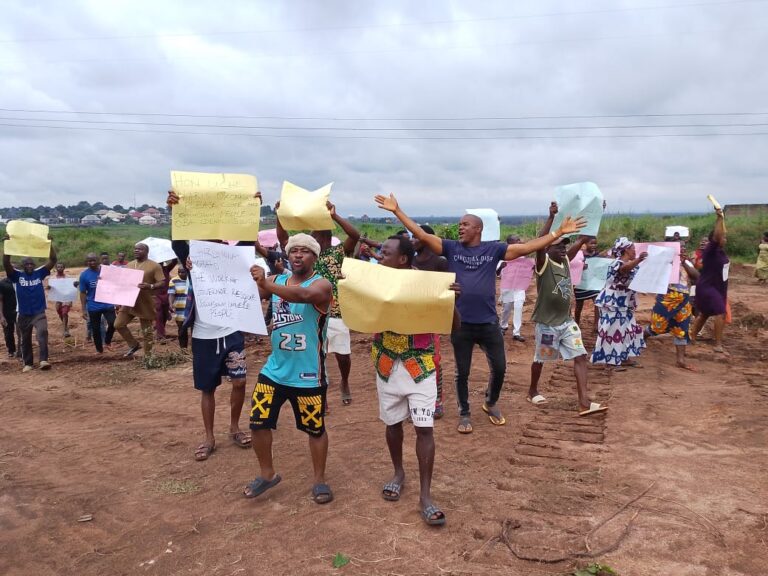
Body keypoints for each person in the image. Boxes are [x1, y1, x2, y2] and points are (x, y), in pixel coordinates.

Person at [375, 193, 586, 434]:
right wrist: (397, 210)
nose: (460, 227)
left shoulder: (494, 249)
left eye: (465, 224)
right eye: (459, 224)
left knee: (500, 367)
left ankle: (490, 402)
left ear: (478, 229)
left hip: (488, 322)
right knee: (462, 372)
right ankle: (464, 412)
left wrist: (558, 233)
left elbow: (527, 247)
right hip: (461, 324)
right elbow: (422, 235)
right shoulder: (451, 248)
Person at [374, 235, 459, 526]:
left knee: (425, 428)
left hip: (420, 366)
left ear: (403, 260)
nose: (379, 255)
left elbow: (453, 326)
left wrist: (451, 302)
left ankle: (425, 495)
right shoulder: (373, 283)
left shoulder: (427, 285)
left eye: (385, 252)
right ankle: (398, 472)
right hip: (386, 364)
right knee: (392, 423)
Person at [245, 233, 334, 504]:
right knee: (257, 423)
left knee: (315, 429)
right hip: (274, 370)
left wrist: (266, 284)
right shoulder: (276, 281)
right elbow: (243, 288)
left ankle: (319, 480)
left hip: (308, 375)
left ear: (315, 257)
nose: (298, 255)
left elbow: (304, 294)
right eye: (293, 250)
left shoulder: (322, 285)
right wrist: (197, 268)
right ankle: (267, 474)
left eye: (305, 251)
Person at [167, 190, 255, 461]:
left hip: (232, 333)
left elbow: (248, 238)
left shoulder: (232, 257)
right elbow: (177, 243)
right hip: (204, 335)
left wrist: (251, 207)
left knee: (239, 382)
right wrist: (175, 211)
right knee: (208, 388)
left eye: (216, 238)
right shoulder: (192, 261)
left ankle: (234, 427)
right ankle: (209, 436)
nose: (212, 241)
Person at [276, 200, 361, 406]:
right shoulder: (303, 256)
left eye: (325, 232)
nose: (320, 235)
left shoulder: (338, 252)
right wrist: (280, 215)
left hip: (336, 311)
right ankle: (319, 393)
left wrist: (334, 216)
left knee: (343, 355)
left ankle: (345, 381)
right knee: (316, 355)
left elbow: (355, 236)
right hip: (308, 312)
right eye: (317, 232)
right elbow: (283, 238)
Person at [527, 206, 606, 415]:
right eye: (558, 245)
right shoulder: (543, 264)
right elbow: (538, 244)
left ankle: (584, 402)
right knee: (541, 358)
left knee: (580, 356)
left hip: (567, 322)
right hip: (547, 325)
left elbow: (580, 241)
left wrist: (593, 217)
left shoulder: (564, 262)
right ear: (547, 248)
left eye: (565, 245)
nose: (563, 248)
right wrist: (551, 217)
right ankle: (532, 389)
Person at [590, 237, 647, 369]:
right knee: (613, 331)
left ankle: (623, 357)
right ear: (626, 250)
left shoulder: (633, 266)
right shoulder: (616, 263)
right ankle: (610, 362)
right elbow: (623, 270)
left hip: (625, 303)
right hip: (612, 303)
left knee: (628, 330)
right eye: (633, 248)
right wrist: (639, 260)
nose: (635, 251)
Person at [3, 239, 57, 372]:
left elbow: (53, 259)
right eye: (26, 264)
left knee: (42, 332)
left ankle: (44, 360)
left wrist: (49, 244)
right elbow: (6, 263)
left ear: (34, 265)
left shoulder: (40, 273)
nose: (29, 265)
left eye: (31, 263)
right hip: (23, 314)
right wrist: (7, 247)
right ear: (22, 266)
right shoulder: (16, 276)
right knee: (25, 339)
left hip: (39, 312)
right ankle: (28, 363)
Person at [412, 224, 449, 419]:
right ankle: (417, 401)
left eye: (416, 236)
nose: (413, 240)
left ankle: (437, 400)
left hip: (431, 317)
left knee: (433, 361)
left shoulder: (440, 262)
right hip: (411, 317)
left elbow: (446, 291)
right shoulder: (409, 260)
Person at [645, 245, 699, 371]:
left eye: (684, 247)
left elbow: (696, 277)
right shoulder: (665, 262)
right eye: (680, 247)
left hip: (684, 298)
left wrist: (684, 262)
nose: (682, 250)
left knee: (682, 328)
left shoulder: (686, 262)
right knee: (657, 326)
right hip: (667, 297)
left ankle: (680, 360)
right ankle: (641, 338)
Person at [690, 207, 730, 354]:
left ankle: (692, 336)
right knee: (720, 312)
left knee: (705, 314)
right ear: (716, 239)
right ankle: (718, 344)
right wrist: (720, 219)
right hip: (707, 287)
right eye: (723, 237)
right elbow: (718, 234)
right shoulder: (710, 249)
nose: (725, 239)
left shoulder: (720, 251)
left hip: (718, 288)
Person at [114, 243, 165, 357]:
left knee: (147, 332)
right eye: (135, 249)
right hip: (129, 301)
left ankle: (148, 357)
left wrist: (150, 286)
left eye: (140, 249)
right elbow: (122, 282)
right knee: (118, 324)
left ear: (146, 251)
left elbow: (162, 282)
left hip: (145, 302)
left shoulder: (154, 266)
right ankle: (134, 344)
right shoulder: (129, 265)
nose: (136, 251)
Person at [78, 253, 116, 353]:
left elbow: (115, 285)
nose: (91, 262)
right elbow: (82, 293)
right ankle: (99, 349)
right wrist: (83, 309)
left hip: (108, 303)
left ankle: (107, 341)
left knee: (113, 323)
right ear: (86, 262)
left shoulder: (106, 271)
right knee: (95, 329)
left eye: (94, 260)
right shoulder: (84, 275)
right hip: (93, 306)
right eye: (89, 261)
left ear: (98, 260)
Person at [497, 234, 530, 342]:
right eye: (517, 240)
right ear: (510, 243)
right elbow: (497, 273)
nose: (519, 242)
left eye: (519, 240)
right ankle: (503, 325)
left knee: (518, 308)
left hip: (519, 287)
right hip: (508, 287)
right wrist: (501, 267)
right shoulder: (503, 257)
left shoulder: (522, 256)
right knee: (507, 308)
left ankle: (517, 332)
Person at [573, 236, 602, 330]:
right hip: (581, 283)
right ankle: (576, 323)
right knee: (579, 305)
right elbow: (573, 265)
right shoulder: (579, 254)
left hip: (593, 283)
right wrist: (581, 266)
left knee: (597, 302)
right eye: (591, 243)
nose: (594, 245)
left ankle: (596, 324)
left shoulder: (597, 254)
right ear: (585, 244)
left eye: (595, 243)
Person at [167, 267, 190, 349]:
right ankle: (183, 350)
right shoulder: (173, 281)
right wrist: (170, 304)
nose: (180, 274)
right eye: (179, 272)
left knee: (194, 330)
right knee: (182, 330)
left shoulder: (192, 279)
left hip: (191, 309)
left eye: (183, 272)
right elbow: (171, 294)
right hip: (180, 310)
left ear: (187, 272)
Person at [154, 259, 176, 340]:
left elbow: (174, 261)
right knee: (159, 316)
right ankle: (160, 335)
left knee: (164, 315)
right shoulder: (153, 271)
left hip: (166, 296)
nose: (161, 263)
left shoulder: (166, 269)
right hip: (156, 296)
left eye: (162, 262)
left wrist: (173, 254)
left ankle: (160, 332)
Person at [52, 262, 74, 338]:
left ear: (64, 268)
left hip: (66, 298)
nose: (60, 268)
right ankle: (65, 325)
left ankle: (65, 330)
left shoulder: (68, 277)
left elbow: (72, 288)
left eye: (61, 267)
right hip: (58, 298)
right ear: (56, 268)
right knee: (60, 312)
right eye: (58, 267)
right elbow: (50, 288)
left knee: (64, 312)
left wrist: (71, 299)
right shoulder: (53, 278)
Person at [0, 277, 18, 358]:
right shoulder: (2, 283)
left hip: (20, 311)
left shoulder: (21, 281)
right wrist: (1, 315)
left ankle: (21, 351)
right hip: (6, 312)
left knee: (22, 332)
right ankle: (11, 350)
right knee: (8, 332)